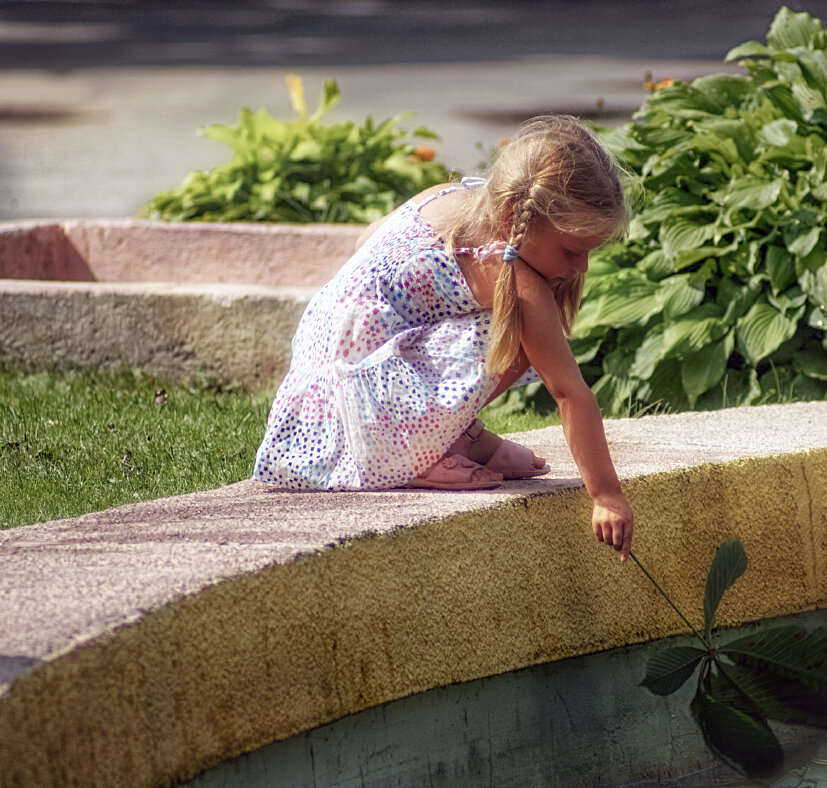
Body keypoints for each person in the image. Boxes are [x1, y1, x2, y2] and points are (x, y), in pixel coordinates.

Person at [254, 115, 633, 561]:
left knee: (517, 320)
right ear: (515, 216)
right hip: (358, 419)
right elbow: (569, 391)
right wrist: (606, 495)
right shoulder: (508, 271)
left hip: (319, 379)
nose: (583, 268)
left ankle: (451, 435)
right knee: (519, 324)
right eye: (572, 251)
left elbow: (364, 241)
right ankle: (420, 452)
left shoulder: (451, 197)